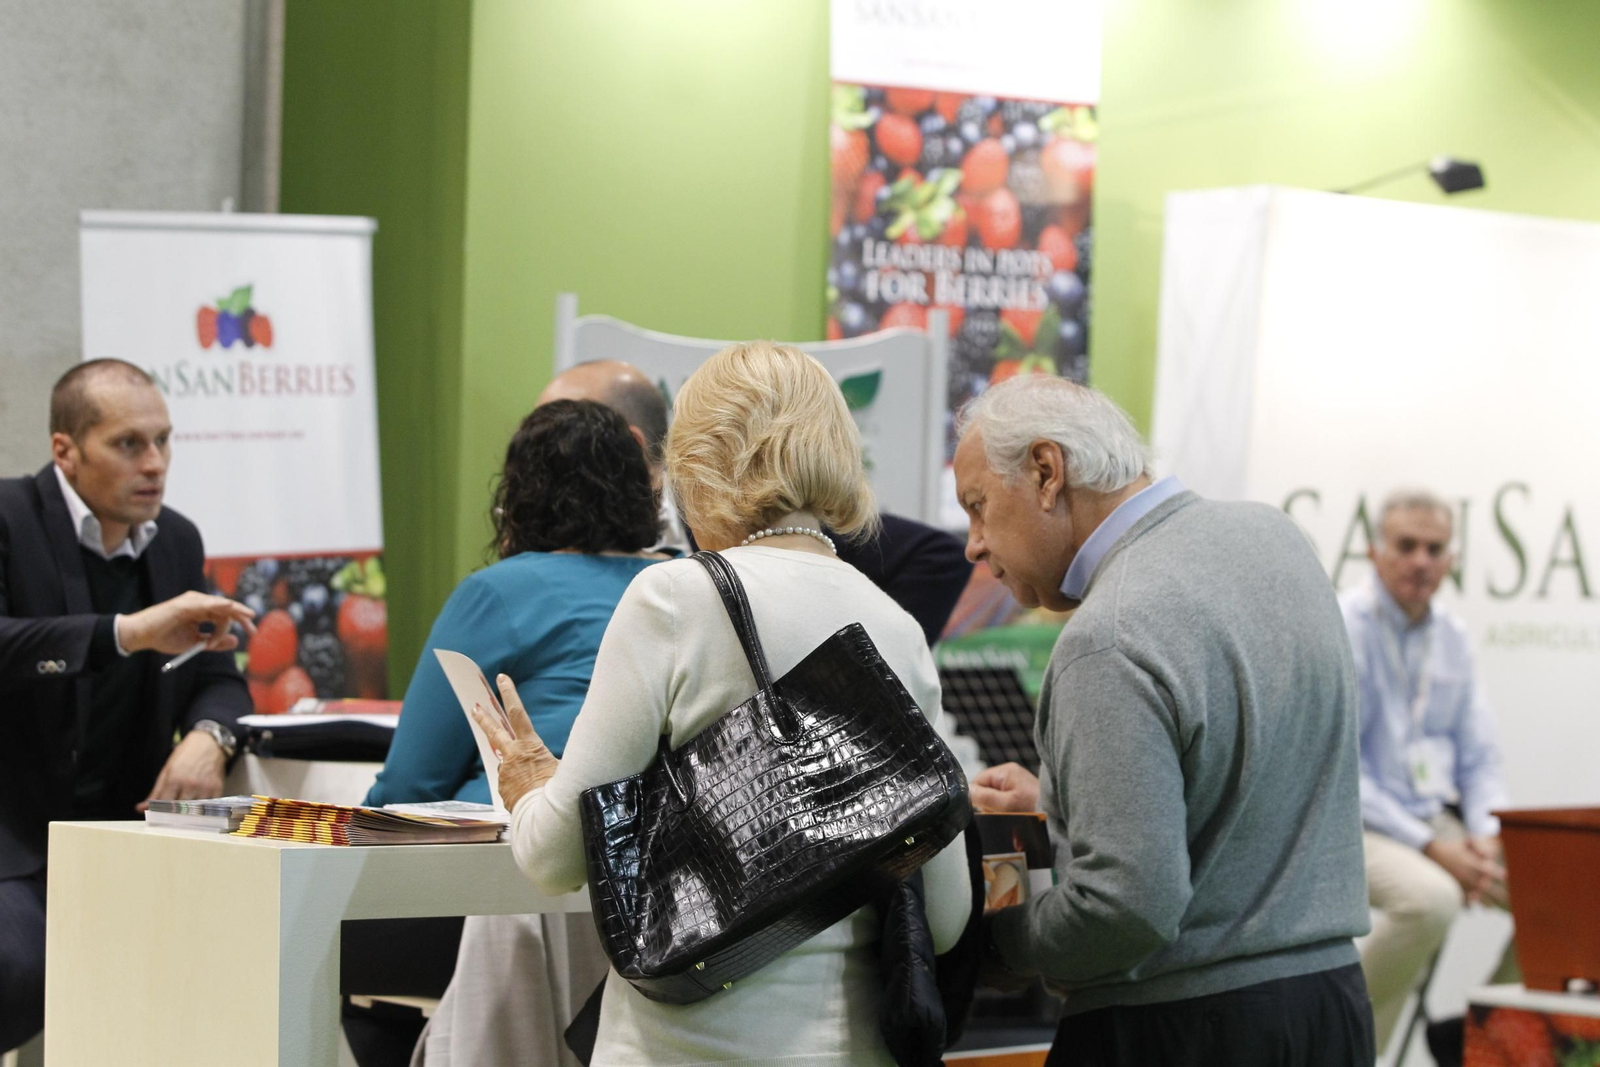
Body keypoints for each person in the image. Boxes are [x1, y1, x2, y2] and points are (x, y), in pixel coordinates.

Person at [480, 340, 972, 1066]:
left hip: (686, 1046)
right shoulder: (894, 626)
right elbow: (949, 912)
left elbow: (555, 856)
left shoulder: (676, 598)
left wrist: (525, 787)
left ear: (699, 464)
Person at [952, 376, 1374, 1066]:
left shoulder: (1107, 635)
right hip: (1331, 1009)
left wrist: (994, 940)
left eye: (978, 506)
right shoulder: (1277, 539)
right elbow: (1247, 786)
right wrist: (1071, 810)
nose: (972, 543)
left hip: (1182, 1029)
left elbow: (1124, 908)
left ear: (1046, 471)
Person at [0, 359, 254, 1053]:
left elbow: (220, 676)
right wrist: (129, 630)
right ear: (65, 451)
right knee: (18, 967)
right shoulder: (8, 516)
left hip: (128, 833)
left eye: (164, 440)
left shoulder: (177, 539)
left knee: (241, 956)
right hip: (17, 840)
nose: (155, 464)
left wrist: (208, 736)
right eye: (129, 444)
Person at [540, 358, 973, 645]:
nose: (538, 457)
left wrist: (851, 669)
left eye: (559, 435)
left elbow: (938, 558)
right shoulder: (562, 546)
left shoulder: (761, 516)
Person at [363, 399, 667, 806]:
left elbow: (410, 784)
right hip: (667, 844)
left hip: (520, 844)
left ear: (523, 494)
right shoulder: (685, 580)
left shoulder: (499, 593)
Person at [1341, 488, 1514, 1056]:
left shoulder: (1453, 639)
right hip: (1353, 824)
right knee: (1431, 901)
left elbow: (1480, 755)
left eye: (1434, 548)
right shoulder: (1344, 626)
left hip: (1440, 821)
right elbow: (1340, 765)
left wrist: (1486, 836)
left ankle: (1483, 1042)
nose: (1421, 560)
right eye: (1407, 545)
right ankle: (1337, 1042)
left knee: (1563, 892)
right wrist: (1433, 847)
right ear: (1376, 551)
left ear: (1451, 560)